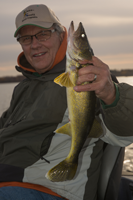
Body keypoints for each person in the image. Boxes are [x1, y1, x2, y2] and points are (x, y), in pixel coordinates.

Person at [0, 3, 133, 200]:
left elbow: (124, 134)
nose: (34, 44)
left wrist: (111, 94)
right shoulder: (23, 87)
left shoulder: (92, 79)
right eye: (26, 38)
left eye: (43, 35)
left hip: (45, 189)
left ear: (61, 35)